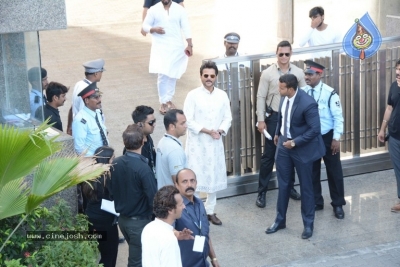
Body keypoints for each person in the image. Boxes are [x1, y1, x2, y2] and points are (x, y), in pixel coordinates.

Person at [265, 74, 325, 239]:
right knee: (283, 184)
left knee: (306, 187)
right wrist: (278, 133)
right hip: (284, 146)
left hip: (302, 148)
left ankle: (308, 224)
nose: (279, 90)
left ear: (291, 89)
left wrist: (295, 142)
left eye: (281, 88)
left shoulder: (308, 103)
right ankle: (280, 220)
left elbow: (315, 129)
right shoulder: (284, 97)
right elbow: (281, 117)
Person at [255, 40, 306, 208]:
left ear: (291, 54)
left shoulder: (298, 72)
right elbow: (261, 96)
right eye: (281, 54)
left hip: (292, 118)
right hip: (274, 116)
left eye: (287, 54)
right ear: (276, 54)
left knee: (291, 153)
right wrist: (261, 119)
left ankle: (290, 188)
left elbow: (304, 94)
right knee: (269, 155)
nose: (284, 57)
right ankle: (262, 192)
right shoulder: (268, 73)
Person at [183, 61, 232, 226]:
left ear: (216, 76)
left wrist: (219, 130)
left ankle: (210, 210)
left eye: (212, 76)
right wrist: (206, 130)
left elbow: (228, 117)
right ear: (201, 76)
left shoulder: (222, 95)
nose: (209, 79)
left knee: (213, 175)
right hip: (197, 143)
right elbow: (187, 120)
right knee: (195, 177)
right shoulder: (193, 95)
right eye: (206, 76)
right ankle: (196, 212)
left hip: (215, 142)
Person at [109, 124, 157, 267]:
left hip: (123, 221)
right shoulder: (143, 169)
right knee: (137, 262)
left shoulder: (116, 163)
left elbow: (111, 190)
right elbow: (153, 198)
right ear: (143, 141)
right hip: (139, 223)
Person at [303, 60, 346, 219]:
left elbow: (338, 117)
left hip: (328, 137)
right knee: (312, 171)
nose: (307, 77)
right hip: (311, 138)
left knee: (334, 171)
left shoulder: (330, 93)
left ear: (319, 74)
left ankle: (338, 204)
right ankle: (316, 201)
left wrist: (336, 138)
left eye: (310, 74)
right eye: (306, 74)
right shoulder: (303, 92)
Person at [142, 0, 192, 115]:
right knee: (163, 74)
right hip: (161, 48)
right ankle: (163, 101)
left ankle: (169, 99)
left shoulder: (179, 10)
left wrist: (189, 44)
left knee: (173, 74)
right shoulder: (154, 10)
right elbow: (144, 25)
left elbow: (186, 27)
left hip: (176, 47)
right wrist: (153, 29)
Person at [174, 168, 220, 267]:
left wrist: (214, 259)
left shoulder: (200, 203)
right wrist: (178, 234)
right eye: (184, 181)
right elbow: (165, 231)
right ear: (176, 185)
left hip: (203, 263)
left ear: (196, 183)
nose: (189, 185)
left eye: (192, 181)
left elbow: (205, 233)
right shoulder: (174, 208)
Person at [82, 146, 118, 267]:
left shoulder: (90, 176)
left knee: (100, 251)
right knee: (110, 254)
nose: (115, 160)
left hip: (91, 220)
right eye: (113, 158)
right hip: (106, 222)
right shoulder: (108, 178)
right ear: (107, 161)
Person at [141, 185, 185, 267]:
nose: (184, 207)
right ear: (170, 210)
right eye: (181, 204)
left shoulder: (148, 228)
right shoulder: (169, 239)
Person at [378, 59, 400, 212]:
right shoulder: (394, 86)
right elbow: (390, 107)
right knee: (398, 169)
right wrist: (382, 128)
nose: (398, 73)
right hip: (395, 136)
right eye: (397, 69)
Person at [67, 58, 105, 135]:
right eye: (101, 72)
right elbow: (84, 114)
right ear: (96, 74)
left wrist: (69, 126)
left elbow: (72, 108)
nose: (101, 74)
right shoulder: (87, 91)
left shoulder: (79, 84)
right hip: (88, 132)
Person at [72, 83, 109, 156]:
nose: (99, 100)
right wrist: (95, 160)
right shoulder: (80, 120)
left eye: (99, 96)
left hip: (105, 157)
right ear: (87, 100)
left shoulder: (98, 112)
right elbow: (79, 148)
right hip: (93, 161)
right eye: (96, 98)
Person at [156, 109, 187, 189]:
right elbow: (178, 180)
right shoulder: (174, 150)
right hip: (172, 198)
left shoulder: (163, 141)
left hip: (164, 195)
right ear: (172, 126)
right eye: (182, 123)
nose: (186, 126)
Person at [131, 105, 157, 173]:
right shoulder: (134, 145)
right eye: (151, 122)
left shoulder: (147, 136)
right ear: (140, 124)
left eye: (154, 121)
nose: (154, 124)